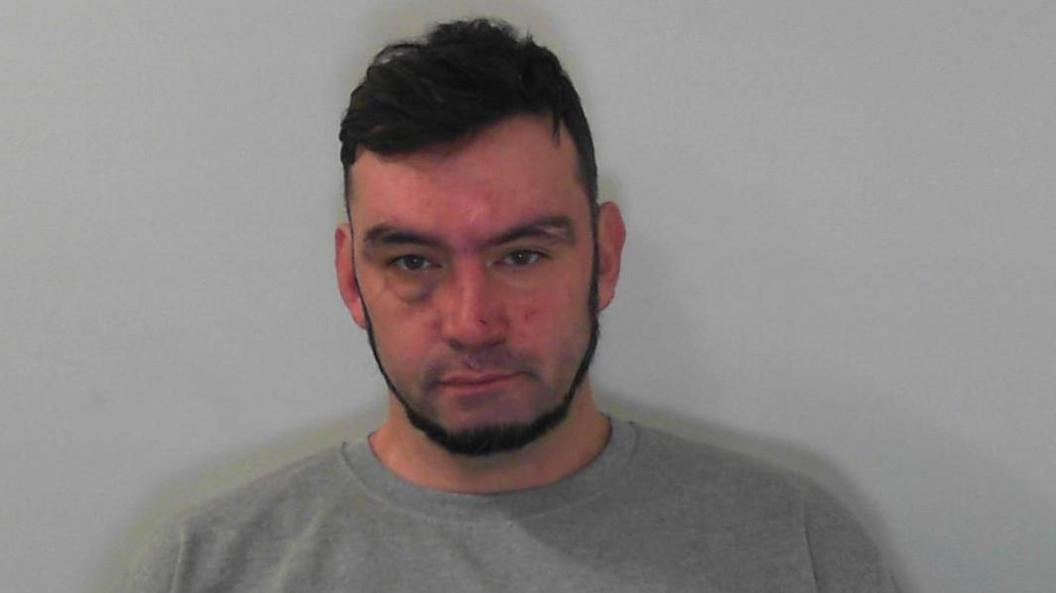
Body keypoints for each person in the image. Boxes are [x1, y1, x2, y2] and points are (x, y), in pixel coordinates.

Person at [125, 18, 898, 592]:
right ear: (350, 277)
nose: (472, 321)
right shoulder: (207, 569)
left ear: (605, 256)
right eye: (413, 261)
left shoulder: (798, 551)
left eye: (521, 255)